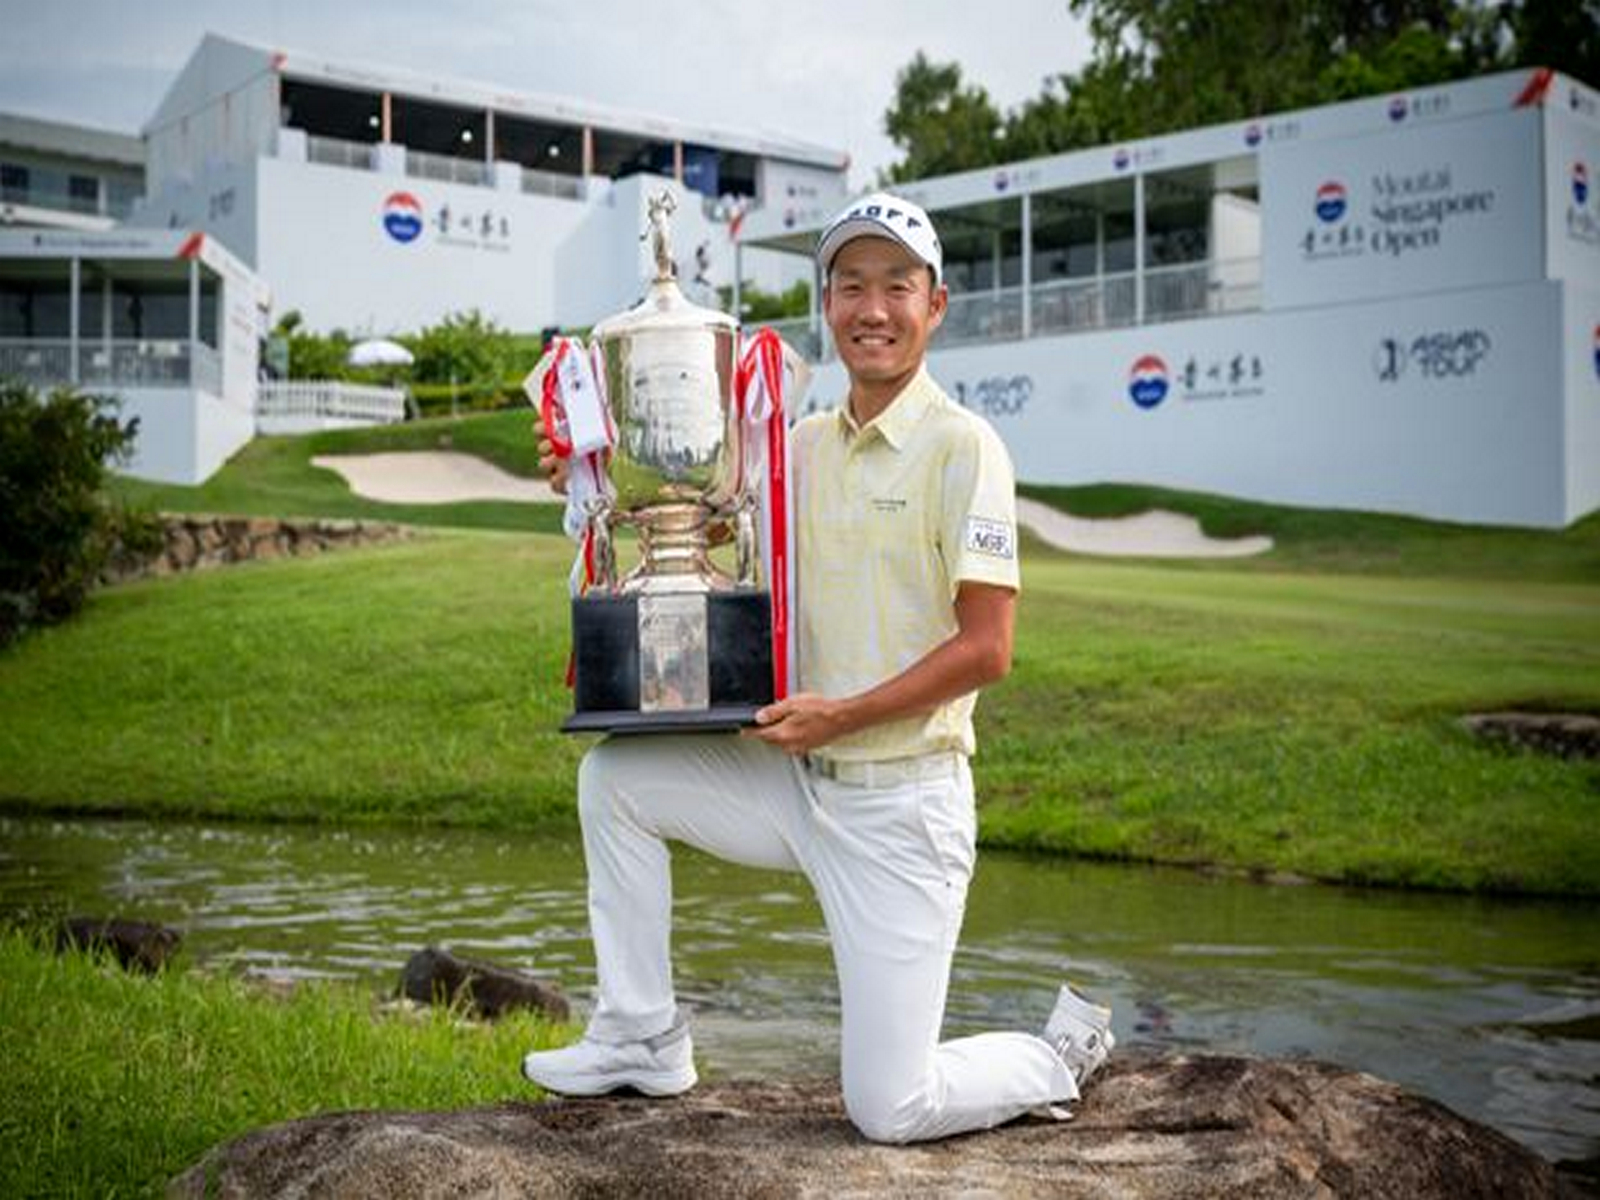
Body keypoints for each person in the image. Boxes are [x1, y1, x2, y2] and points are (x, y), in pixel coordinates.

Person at [522, 193, 1114, 1144]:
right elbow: (691, 522)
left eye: (896, 288)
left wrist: (840, 716)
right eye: (851, 287)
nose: (872, 309)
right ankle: (641, 1035)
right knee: (615, 781)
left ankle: (1057, 1054)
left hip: (902, 810)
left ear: (935, 305)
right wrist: (591, 474)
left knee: (891, 1107)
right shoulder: (794, 447)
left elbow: (987, 648)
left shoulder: (963, 446)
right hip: (797, 786)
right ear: (827, 305)